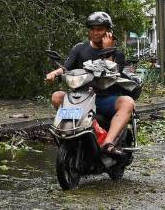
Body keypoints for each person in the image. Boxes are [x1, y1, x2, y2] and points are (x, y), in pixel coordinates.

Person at [45, 11, 135, 157]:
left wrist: (107, 49)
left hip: (105, 100)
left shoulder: (117, 53)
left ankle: (108, 143)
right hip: (82, 99)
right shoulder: (80, 48)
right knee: (57, 96)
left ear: (108, 31)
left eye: (99, 29)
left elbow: (111, 71)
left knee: (127, 102)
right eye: (92, 29)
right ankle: (71, 131)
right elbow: (66, 68)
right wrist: (54, 73)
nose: (95, 32)